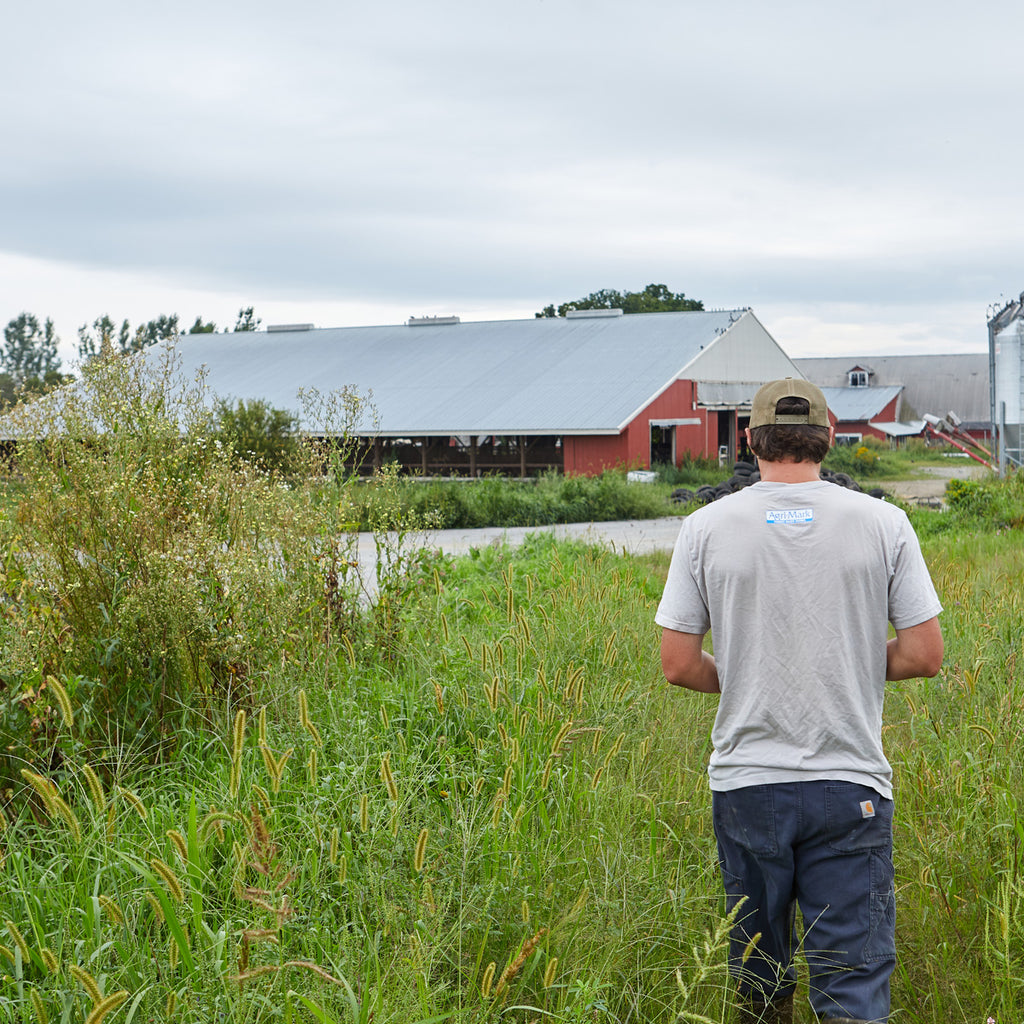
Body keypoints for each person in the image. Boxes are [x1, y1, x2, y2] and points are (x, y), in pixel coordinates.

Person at [655, 378, 943, 1024]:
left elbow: (677, 665)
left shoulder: (704, 527)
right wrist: (842, 665)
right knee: (851, 981)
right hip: (850, 784)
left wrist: (759, 671)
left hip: (748, 783)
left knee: (759, 973)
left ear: (750, 440)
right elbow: (924, 654)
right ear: (828, 438)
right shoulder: (883, 522)